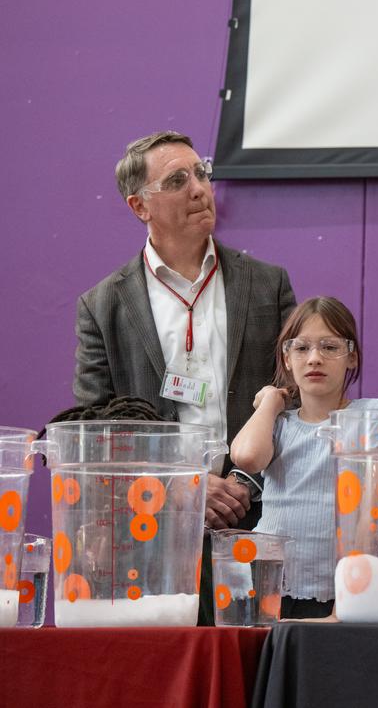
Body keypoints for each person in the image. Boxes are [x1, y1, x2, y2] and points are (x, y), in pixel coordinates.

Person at [73, 130, 296, 622]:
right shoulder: (103, 306)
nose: (199, 188)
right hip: (151, 528)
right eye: (177, 180)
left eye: (201, 173)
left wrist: (242, 480)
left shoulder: (267, 283)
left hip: (257, 517)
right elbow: (95, 431)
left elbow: (293, 394)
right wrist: (185, 486)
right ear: (139, 206)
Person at [230, 297, 378, 620]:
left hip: (335, 591)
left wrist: (344, 604)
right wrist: (270, 403)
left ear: (352, 357)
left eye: (330, 347)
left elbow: (371, 518)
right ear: (286, 359)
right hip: (271, 585)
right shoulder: (279, 423)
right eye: (301, 348)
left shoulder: (371, 415)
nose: (314, 358)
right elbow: (247, 457)